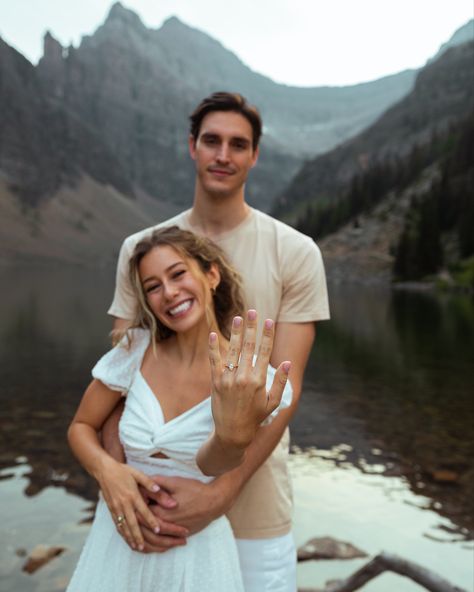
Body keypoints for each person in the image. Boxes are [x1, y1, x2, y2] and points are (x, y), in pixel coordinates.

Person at [106, 92, 330, 591]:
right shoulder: (141, 253)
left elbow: (284, 397)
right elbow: (119, 385)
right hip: (156, 504)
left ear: (255, 156)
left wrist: (221, 494)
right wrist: (116, 478)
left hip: (254, 514)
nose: (223, 155)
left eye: (238, 144)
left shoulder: (296, 252)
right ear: (192, 146)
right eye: (211, 141)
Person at [67, 226, 293, 591]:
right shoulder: (133, 351)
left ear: (212, 275)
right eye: (153, 287)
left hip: (195, 553)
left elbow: (213, 465)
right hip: (116, 542)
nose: (169, 293)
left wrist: (233, 436)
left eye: (178, 274)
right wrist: (109, 472)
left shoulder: (246, 375)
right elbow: (81, 426)